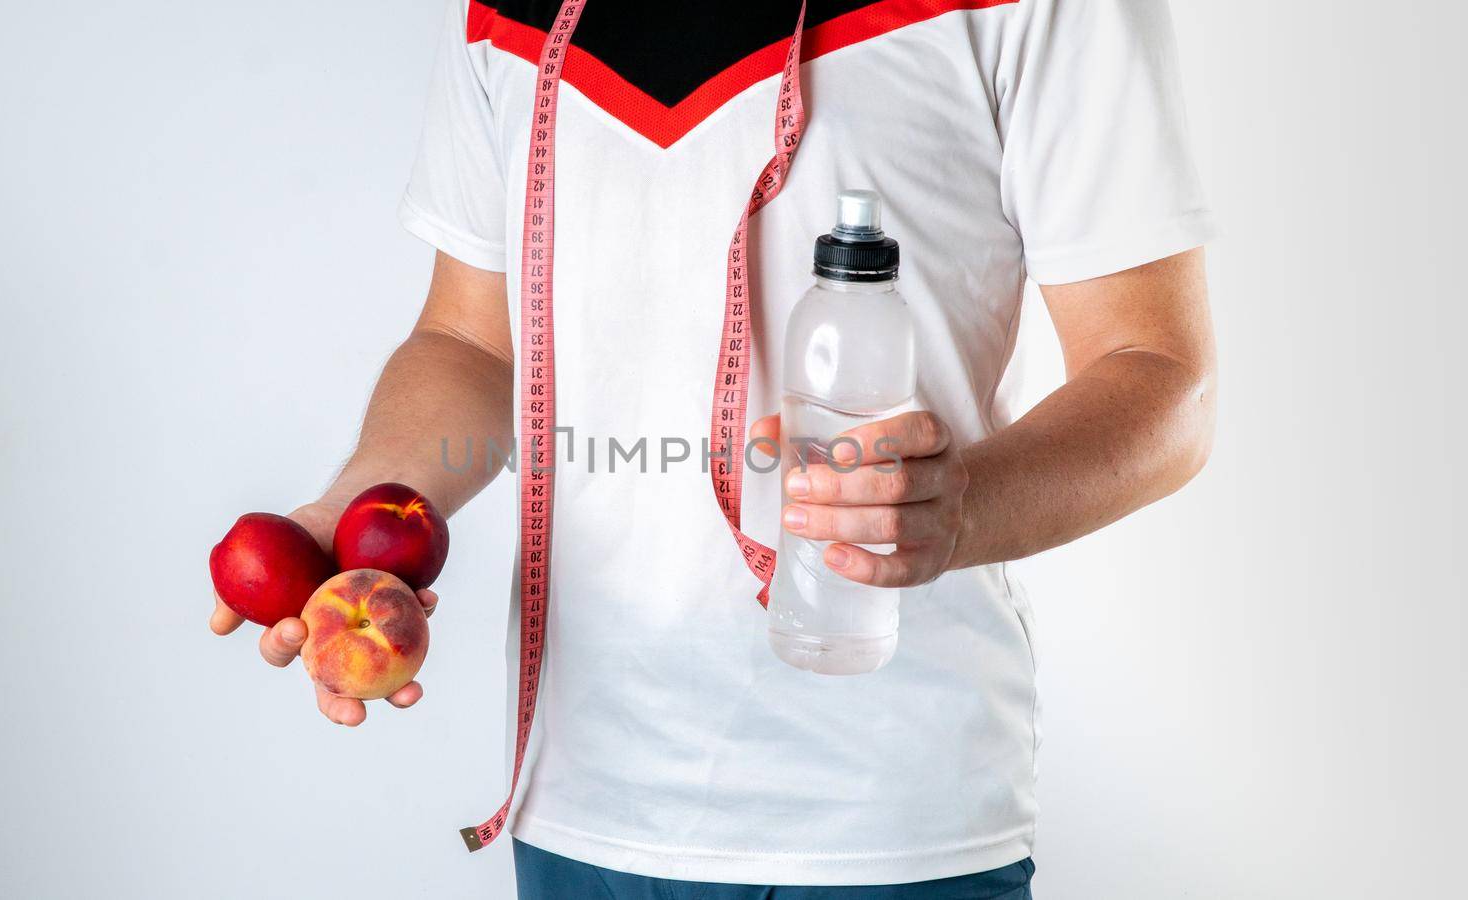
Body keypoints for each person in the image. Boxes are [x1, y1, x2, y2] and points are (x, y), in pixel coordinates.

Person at [209, 1, 1217, 896]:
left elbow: (1160, 375)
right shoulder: (501, 11)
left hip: (887, 821)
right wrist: (346, 520)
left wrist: (965, 510)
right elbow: (469, 339)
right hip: (582, 805)